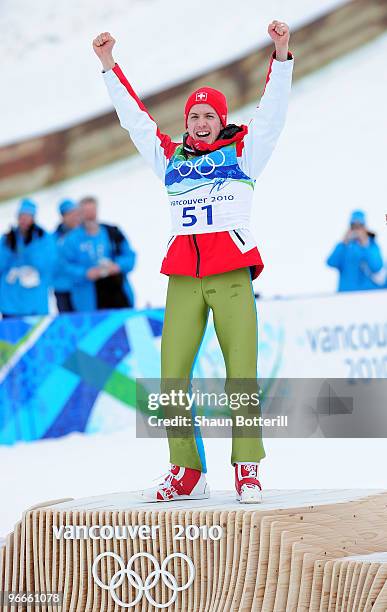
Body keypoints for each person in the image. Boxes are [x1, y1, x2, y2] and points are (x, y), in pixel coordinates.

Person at [93, 20, 293, 503]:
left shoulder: (244, 153)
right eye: (194, 116)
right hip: (183, 276)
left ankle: (247, 467)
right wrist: (108, 67)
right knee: (171, 377)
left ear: (220, 120)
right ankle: (187, 470)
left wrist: (281, 56)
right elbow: (136, 120)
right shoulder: (170, 159)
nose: (200, 122)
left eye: (208, 115)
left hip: (230, 276)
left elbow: (272, 115)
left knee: (240, 373)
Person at [61, 196, 136, 311]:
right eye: (86, 212)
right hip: (90, 300)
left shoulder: (112, 232)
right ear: (80, 213)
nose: (90, 215)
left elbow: (130, 257)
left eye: (93, 211)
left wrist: (117, 266)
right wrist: (86, 273)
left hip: (118, 294)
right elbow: (65, 267)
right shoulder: (71, 240)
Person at [0, 199, 55, 317]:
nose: (24, 220)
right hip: (11, 301)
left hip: (35, 301)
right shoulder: (7, 239)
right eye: (21, 216)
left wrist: (31, 252)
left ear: (33, 218)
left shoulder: (43, 238)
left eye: (28, 216)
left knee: (35, 332)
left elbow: (49, 264)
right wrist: (9, 249)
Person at [327, 210, 384, 292]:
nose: (357, 229)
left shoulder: (372, 246)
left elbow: (377, 267)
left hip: (368, 295)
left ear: (365, 227)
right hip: (346, 295)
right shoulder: (345, 248)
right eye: (353, 226)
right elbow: (331, 262)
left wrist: (365, 246)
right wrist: (343, 243)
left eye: (360, 226)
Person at [53, 199, 81, 312]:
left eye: (76, 213)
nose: (74, 217)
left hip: (85, 287)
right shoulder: (54, 239)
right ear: (63, 217)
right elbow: (56, 264)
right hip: (63, 289)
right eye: (69, 214)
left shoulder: (87, 232)